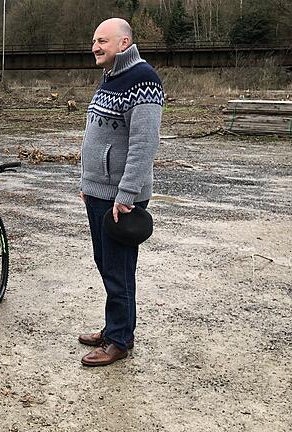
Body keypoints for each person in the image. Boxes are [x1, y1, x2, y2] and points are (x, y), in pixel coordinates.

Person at [78, 18, 163, 367]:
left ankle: (119, 340)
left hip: (119, 198)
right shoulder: (112, 76)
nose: (95, 47)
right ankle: (115, 326)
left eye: (103, 41)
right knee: (106, 263)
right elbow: (99, 135)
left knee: (119, 269)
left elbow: (144, 144)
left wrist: (126, 194)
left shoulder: (143, 79)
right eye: (94, 41)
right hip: (99, 192)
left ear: (124, 42)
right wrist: (87, 183)